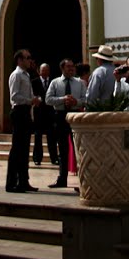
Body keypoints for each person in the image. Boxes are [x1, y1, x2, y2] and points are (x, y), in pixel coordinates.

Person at [45, 58, 86, 189]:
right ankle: (62, 179)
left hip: (76, 116)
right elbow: (48, 99)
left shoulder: (80, 83)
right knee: (62, 149)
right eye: (68, 67)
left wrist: (76, 102)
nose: (71, 69)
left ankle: (82, 181)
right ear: (62, 68)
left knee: (78, 149)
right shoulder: (55, 83)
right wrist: (63, 100)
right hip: (60, 117)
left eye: (72, 66)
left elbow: (85, 99)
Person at [5, 50, 40, 193]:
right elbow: (14, 97)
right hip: (19, 112)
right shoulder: (16, 75)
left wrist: (33, 101)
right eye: (27, 58)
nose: (30, 60)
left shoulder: (26, 75)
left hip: (25, 112)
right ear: (19, 60)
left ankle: (23, 181)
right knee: (17, 149)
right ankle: (11, 182)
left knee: (24, 149)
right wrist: (30, 100)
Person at [32, 64, 58, 167]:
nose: (45, 72)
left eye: (47, 70)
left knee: (51, 136)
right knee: (38, 136)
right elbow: (31, 94)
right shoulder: (34, 82)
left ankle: (54, 158)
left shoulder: (53, 82)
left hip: (50, 113)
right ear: (39, 71)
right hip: (38, 113)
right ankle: (37, 158)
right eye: (43, 70)